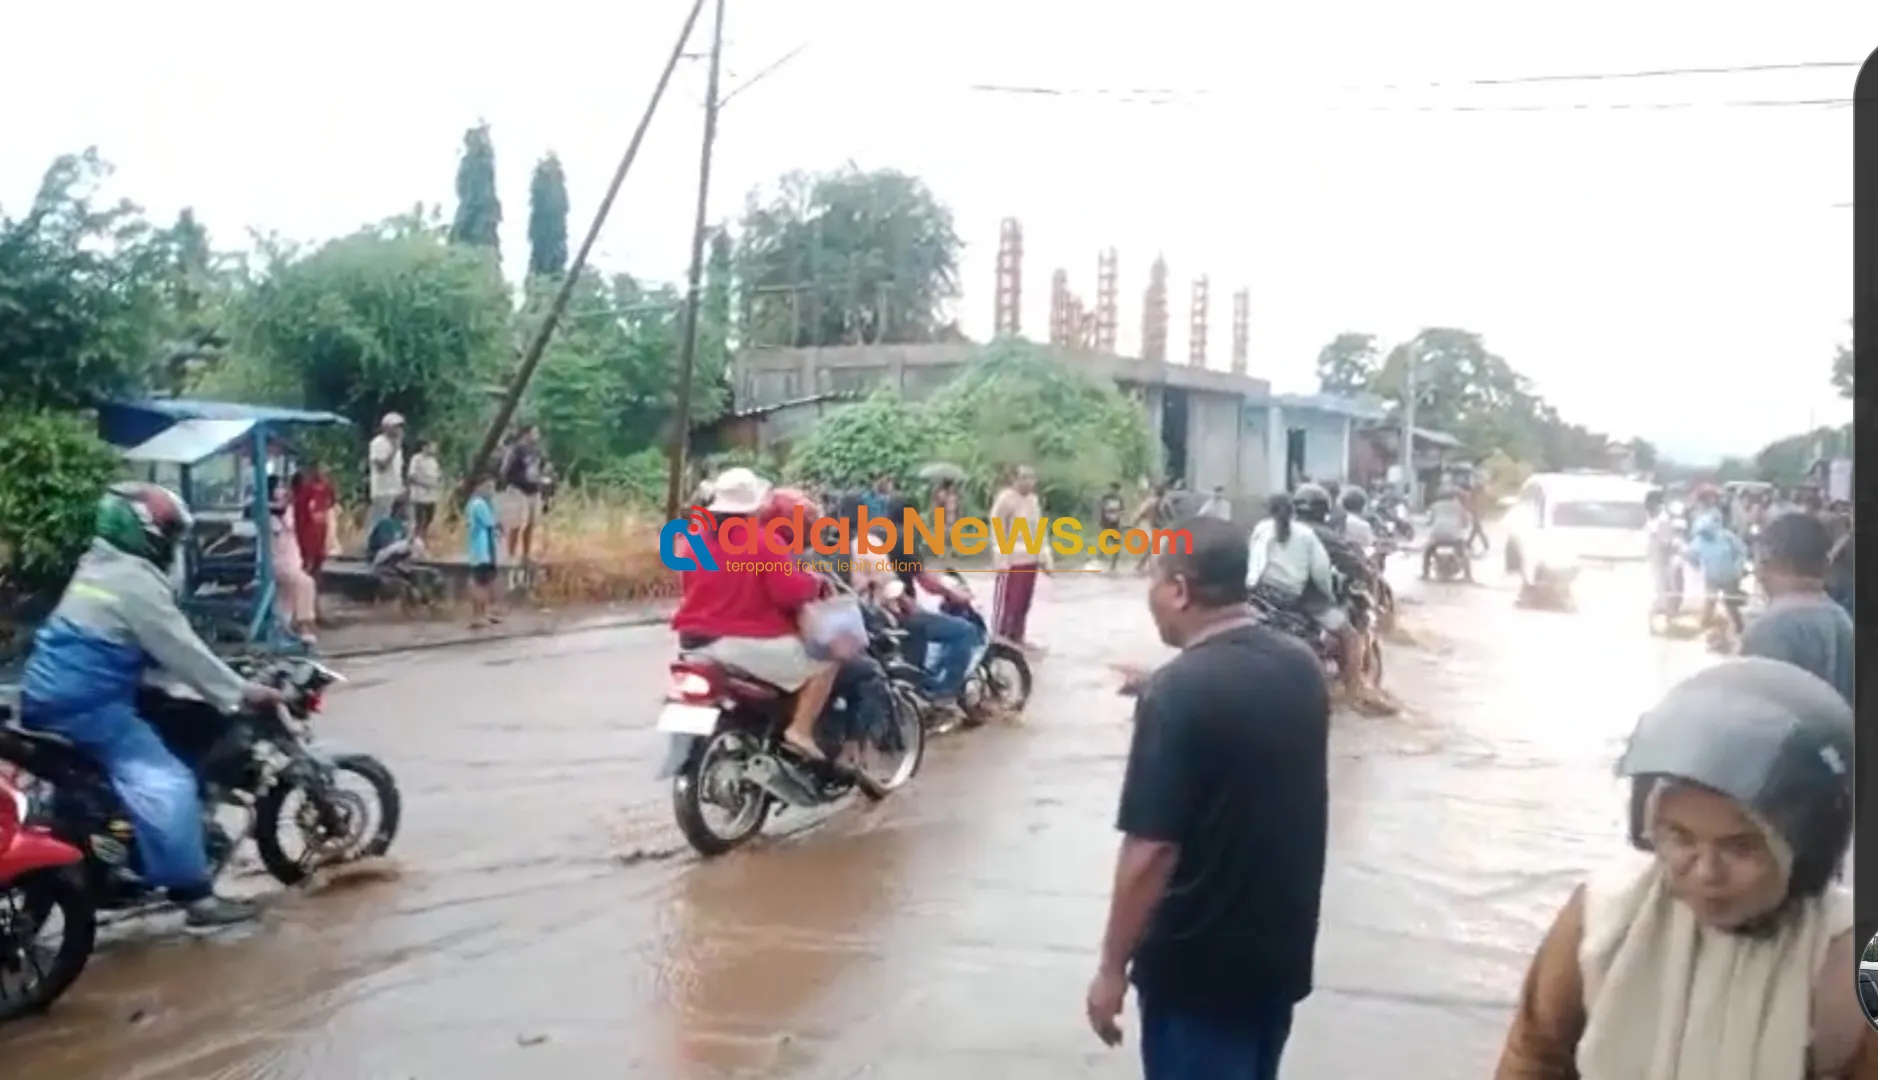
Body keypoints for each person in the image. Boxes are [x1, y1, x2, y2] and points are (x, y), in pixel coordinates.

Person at [1494, 658, 1866, 1079]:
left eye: (1741, 847)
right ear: (1648, 827)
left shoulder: (1849, 955)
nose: (1706, 872)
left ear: (1806, 850)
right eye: (1681, 838)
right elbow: (1533, 1057)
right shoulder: (1602, 917)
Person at [1088, 516, 1330, 1079]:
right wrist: (1159, 683)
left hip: (1196, 970)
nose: (1149, 596)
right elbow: (1241, 722)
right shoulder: (1302, 667)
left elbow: (1151, 852)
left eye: (1153, 578)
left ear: (1179, 589)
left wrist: (1110, 969)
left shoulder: (1180, 693)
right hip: (1277, 958)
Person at [17, 483, 282, 928]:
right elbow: (181, 650)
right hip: (86, 705)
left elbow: (138, 646)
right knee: (170, 781)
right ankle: (195, 895)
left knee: (163, 715)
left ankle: (120, 851)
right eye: (169, 530)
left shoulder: (99, 566)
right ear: (141, 531)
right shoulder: (135, 584)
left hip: (55, 692)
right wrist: (242, 691)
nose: (173, 541)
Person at [671, 468, 856, 764]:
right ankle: (800, 730)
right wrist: (816, 583)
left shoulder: (692, 539)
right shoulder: (763, 541)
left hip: (692, 643)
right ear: (755, 507)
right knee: (826, 660)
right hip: (741, 641)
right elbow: (790, 593)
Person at [1738, 511, 1854, 706]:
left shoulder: (1768, 630)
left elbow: (1756, 718)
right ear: (1825, 565)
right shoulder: (1843, 620)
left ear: (1767, 561)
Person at [989, 464, 1051, 648]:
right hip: (1011, 559)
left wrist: (1044, 557)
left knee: (1024, 601)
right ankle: (1001, 638)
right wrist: (1001, 557)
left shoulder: (1033, 500)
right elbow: (997, 525)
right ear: (1015, 480)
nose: (1030, 482)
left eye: (1032, 477)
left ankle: (1018, 637)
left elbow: (1039, 529)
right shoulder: (1006, 499)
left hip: (1030, 557)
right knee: (1009, 602)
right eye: (1025, 477)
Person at [266, 476, 318, 644]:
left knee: (287, 598)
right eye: (278, 487)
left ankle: (284, 628)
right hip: (276, 563)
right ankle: (304, 625)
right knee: (305, 583)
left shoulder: (289, 511)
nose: (283, 491)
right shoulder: (265, 512)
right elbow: (274, 511)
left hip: (291, 561)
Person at [1684, 514, 1749, 637]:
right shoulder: (1699, 540)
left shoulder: (1726, 536)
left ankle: (1739, 628)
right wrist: (1696, 565)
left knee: (1730, 603)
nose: (1704, 535)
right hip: (1712, 577)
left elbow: (1742, 550)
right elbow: (1690, 555)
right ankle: (1705, 626)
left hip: (1730, 575)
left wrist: (1739, 566)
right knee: (1709, 601)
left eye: (1706, 532)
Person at [498, 425, 546, 565]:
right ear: (526, 434)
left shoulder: (537, 451)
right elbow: (506, 471)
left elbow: (540, 467)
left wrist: (542, 479)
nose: (537, 435)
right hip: (518, 489)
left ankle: (526, 555)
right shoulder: (516, 450)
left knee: (530, 523)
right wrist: (519, 480)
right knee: (517, 523)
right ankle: (511, 555)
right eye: (535, 432)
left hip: (533, 489)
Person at [464, 473, 503, 629]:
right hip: (482, 549)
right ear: (479, 487)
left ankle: (484, 613)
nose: (491, 491)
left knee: (485, 582)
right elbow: (491, 524)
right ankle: (477, 616)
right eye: (488, 487)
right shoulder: (479, 504)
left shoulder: (473, 503)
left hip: (479, 548)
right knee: (480, 583)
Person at [290, 461, 336, 578]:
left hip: (320, 527)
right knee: (309, 556)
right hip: (309, 527)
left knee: (318, 557)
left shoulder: (326, 488)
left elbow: (331, 503)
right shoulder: (308, 489)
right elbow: (300, 510)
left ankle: (315, 581)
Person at [1421, 485, 1473, 580]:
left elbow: (1429, 521)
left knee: (1427, 551)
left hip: (1437, 535)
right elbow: (1465, 523)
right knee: (1464, 552)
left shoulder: (1434, 506)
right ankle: (1468, 575)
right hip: (1455, 536)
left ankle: (1425, 573)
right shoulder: (1460, 507)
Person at [366, 412, 406, 533]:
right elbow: (381, 466)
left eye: (400, 426)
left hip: (395, 490)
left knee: (392, 521)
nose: (399, 430)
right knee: (379, 520)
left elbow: (398, 469)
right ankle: (371, 545)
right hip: (382, 490)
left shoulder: (397, 446)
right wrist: (393, 449)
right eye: (395, 426)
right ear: (386, 427)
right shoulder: (378, 443)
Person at [406, 440, 443, 543]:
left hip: (432, 496)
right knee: (420, 519)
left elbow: (437, 476)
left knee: (429, 517)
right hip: (420, 496)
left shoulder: (434, 461)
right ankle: (416, 540)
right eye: (431, 446)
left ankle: (423, 536)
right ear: (425, 447)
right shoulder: (416, 459)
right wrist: (424, 483)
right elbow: (411, 476)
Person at [1096, 481, 1128, 570]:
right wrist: (1100, 522)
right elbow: (1101, 510)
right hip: (1106, 523)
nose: (1115, 491)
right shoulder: (1105, 497)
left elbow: (1122, 511)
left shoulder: (1120, 499)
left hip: (1115, 524)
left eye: (1116, 490)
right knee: (1103, 544)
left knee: (1117, 545)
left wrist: (1122, 523)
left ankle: (1113, 566)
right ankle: (1098, 562)